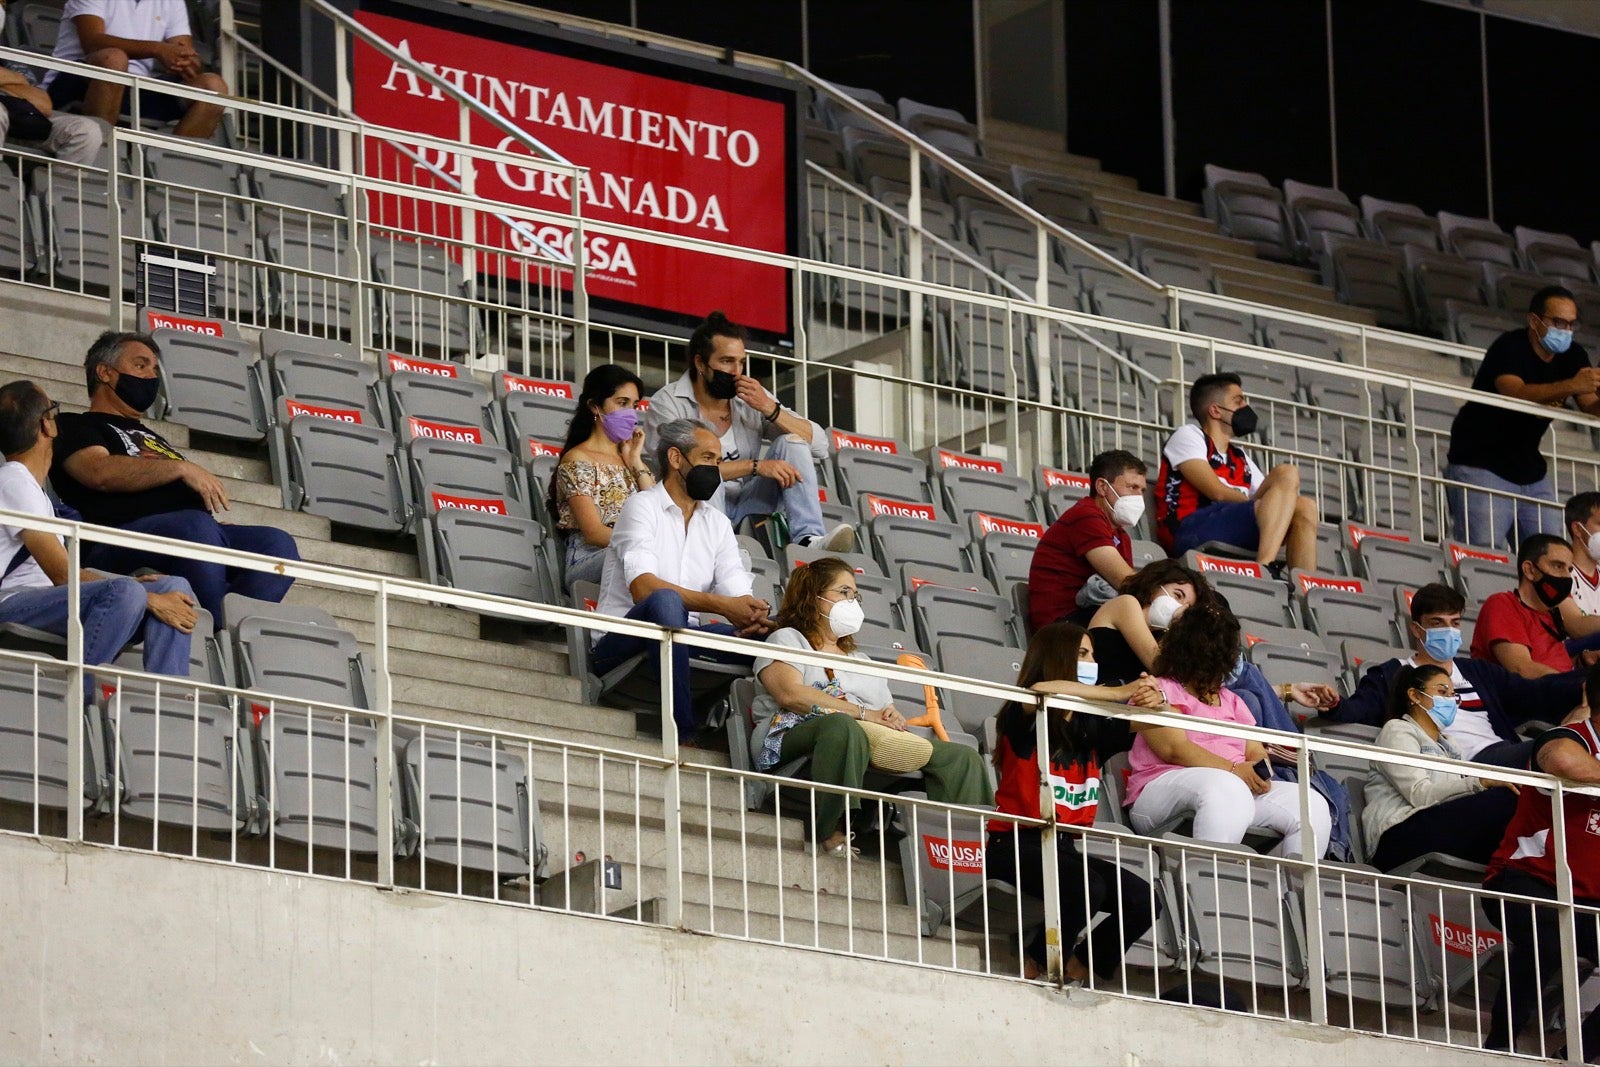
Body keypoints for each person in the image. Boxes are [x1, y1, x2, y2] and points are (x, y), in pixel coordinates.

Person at [49, 331, 300, 623]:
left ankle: (225, 630)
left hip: (190, 533)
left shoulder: (152, 437)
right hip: (115, 540)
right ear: (104, 372)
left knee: (276, 545)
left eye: (155, 369)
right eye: (141, 366)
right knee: (194, 528)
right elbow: (98, 472)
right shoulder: (74, 425)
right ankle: (211, 629)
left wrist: (209, 524)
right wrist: (181, 468)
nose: (151, 377)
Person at [751, 557, 991, 855]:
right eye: (844, 592)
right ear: (813, 597)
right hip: (790, 735)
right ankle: (832, 830)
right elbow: (789, 694)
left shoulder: (860, 661)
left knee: (961, 757)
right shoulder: (787, 639)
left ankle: (969, 850)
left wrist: (891, 715)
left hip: (860, 736)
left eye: (856, 595)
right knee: (842, 726)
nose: (853, 601)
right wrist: (862, 713)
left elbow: (883, 712)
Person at [987, 620, 1162, 982]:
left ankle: (1078, 968)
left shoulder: (1090, 725)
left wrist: (1156, 701)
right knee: (1089, 887)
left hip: (1063, 848)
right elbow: (1042, 689)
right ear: (1058, 658)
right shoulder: (1024, 713)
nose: (1091, 662)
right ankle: (1038, 964)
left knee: (1142, 900)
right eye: (1083, 654)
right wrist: (1118, 692)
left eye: (1093, 655)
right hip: (1015, 845)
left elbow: (1164, 720)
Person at [0, 380, 195, 699]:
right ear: (45, 425)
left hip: (47, 599)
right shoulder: (13, 481)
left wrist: (136, 587)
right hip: (11, 602)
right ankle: (80, 699)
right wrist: (142, 595)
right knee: (129, 592)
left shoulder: (33, 488)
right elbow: (62, 575)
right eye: (54, 411)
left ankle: (169, 706)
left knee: (172, 588)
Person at [592, 418, 770, 741]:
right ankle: (681, 731)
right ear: (676, 459)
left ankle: (744, 739)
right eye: (707, 459)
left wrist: (757, 615)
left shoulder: (717, 523)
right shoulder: (641, 507)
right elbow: (643, 589)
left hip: (684, 638)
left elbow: (737, 593)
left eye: (718, 461)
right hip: (621, 640)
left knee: (772, 640)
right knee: (666, 602)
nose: (715, 470)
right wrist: (721, 605)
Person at [1124, 600, 1332, 858]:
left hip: (1235, 790)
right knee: (1227, 787)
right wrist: (1235, 771)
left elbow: (1254, 749)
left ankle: (1288, 892)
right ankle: (1212, 886)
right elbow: (1174, 749)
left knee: (1311, 804)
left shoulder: (1234, 700)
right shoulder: (1158, 690)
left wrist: (1258, 772)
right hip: (1159, 790)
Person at [643, 311, 851, 552]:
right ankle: (714, 547)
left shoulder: (749, 397)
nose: (736, 372)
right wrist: (755, 466)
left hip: (747, 502)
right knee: (707, 472)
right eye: (726, 361)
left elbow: (820, 446)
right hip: (693, 505)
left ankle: (808, 540)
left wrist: (768, 408)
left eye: (741, 362)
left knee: (793, 443)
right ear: (700, 363)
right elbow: (678, 472)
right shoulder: (667, 403)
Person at [1319, 582, 1581, 768]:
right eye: (1437, 623)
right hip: (1462, 764)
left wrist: (1588, 684)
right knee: (1556, 748)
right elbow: (1358, 708)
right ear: (1417, 630)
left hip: (1502, 752)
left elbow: (1537, 693)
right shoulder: (1393, 673)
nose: (1449, 630)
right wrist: (1333, 704)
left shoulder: (1477, 671)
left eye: (1455, 623)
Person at [1480, 665, 1600, 1058]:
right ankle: (1499, 1045)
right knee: (1548, 941)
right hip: (1523, 878)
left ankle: (1576, 1055)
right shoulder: (1568, 738)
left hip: (1589, 900)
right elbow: (1563, 763)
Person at [1445, 286, 1600, 549]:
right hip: (1480, 464)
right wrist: (1571, 385)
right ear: (1534, 320)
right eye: (1558, 322)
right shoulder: (1509, 347)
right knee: (1482, 553)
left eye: (1572, 324)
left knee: (1551, 555)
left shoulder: (1573, 355)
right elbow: (1515, 393)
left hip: (1530, 472)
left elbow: (1590, 405)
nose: (1565, 331)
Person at [1153, 372, 1317, 574]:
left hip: (1234, 524)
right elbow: (1216, 492)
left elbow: (1275, 498)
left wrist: (1267, 503)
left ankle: (1305, 591)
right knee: (1286, 475)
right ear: (1215, 410)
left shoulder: (1240, 458)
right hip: (1190, 529)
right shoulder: (1188, 435)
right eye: (1238, 401)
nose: (1245, 407)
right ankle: (1264, 568)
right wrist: (1259, 503)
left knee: (1304, 504)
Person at [1361, 663, 1519, 872]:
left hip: (1437, 826)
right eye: (1442, 692)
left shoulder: (1450, 745)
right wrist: (1479, 783)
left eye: (1453, 696)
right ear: (1415, 696)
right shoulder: (1397, 730)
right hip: (1397, 835)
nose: (1450, 701)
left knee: (1522, 806)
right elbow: (1420, 795)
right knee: (1505, 799)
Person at [44, 0, 228, 140]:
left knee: (213, 85)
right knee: (114, 59)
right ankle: (102, 152)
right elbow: (93, 42)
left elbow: (183, 48)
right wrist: (158, 49)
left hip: (136, 89)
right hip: (77, 80)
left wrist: (187, 61)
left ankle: (171, 172)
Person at [549, 364, 653, 590]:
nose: (631, 413)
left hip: (637, 553)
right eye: (622, 402)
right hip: (589, 560)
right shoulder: (577, 459)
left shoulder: (629, 460)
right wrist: (647, 543)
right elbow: (593, 533)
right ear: (595, 406)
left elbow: (659, 508)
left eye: (634, 406)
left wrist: (635, 460)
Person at [1027, 449, 1146, 632]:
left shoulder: (1121, 536)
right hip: (1059, 628)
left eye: (1142, 490)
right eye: (1132, 488)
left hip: (1087, 617)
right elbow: (1126, 582)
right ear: (1102, 487)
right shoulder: (1085, 516)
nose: (1139, 497)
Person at [1471, 533, 1590, 678]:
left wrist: (1581, 661)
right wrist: (1579, 685)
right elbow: (1522, 669)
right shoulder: (1502, 604)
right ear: (1529, 570)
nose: (1567, 577)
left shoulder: (1550, 614)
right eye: (1558, 566)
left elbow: (1550, 661)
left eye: (1569, 570)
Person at [1084, 559, 1207, 686]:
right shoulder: (1126, 603)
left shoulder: (1161, 637)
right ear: (1154, 587)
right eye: (1177, 595)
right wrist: (1176, 625)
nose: (1181, 608)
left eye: (1188, 607)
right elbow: (1158, 665)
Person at [0, 65, 102, 164]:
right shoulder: (11, 60)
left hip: (24, 121)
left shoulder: (11, 62)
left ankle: (62, 181)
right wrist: (15, 78)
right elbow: (19, 78)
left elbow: (43, 105)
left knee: (87, 130)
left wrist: (8, 78)